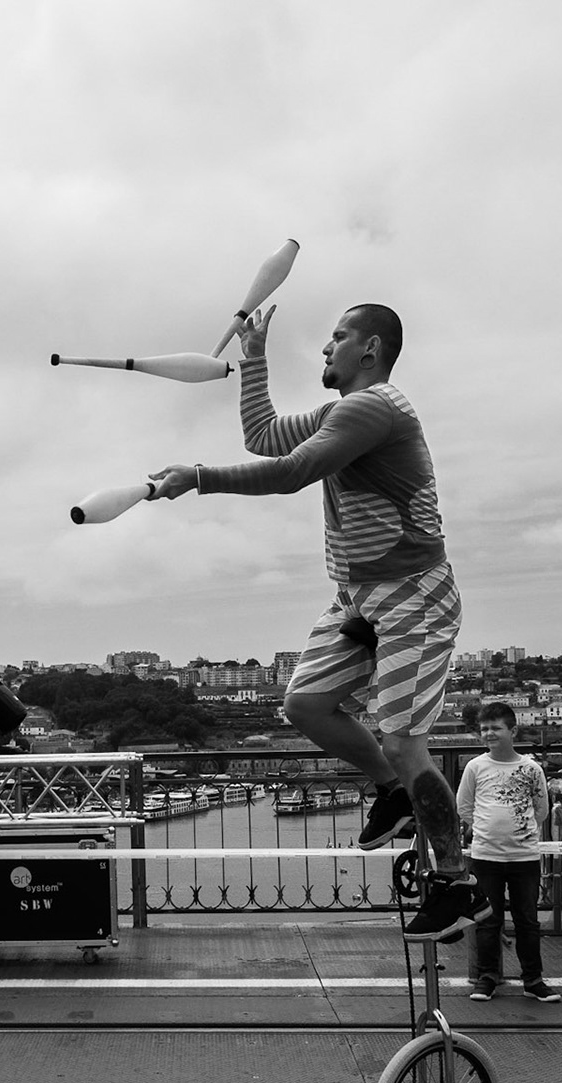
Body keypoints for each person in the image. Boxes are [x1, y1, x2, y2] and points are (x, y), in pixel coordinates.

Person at [148, 301, 488, 941]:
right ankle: (393, 793)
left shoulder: (376, 407)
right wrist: (254, 359)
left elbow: (293, 472)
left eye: (338, 336)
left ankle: (458, 884)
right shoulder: (340, 413)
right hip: (357, 595)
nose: (326, 347)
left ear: (371, 349)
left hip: (413, 593)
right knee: (305, 705)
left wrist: (197, 477)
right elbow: (264, 437)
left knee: (404, 742)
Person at [455, 701, 555, 1002]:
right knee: (488, 920)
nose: (489, 733)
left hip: (524, 857)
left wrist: (518, 831)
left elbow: (541, 810)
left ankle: (533, 979)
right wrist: (486, 829)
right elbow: (464, 806)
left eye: (496, 728)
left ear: (513, 731)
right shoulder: (475, 767)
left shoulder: (531, 768)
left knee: (528, 921)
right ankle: (487, 977)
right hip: (486, 856)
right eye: (484, 729)